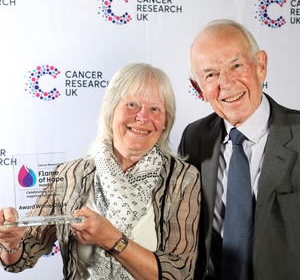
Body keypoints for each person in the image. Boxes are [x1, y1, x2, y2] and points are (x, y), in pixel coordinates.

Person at [0, 63, 201, 280]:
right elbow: (25, 254)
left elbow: (180, 273)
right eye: (132, 104)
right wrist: (11, 243)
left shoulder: (183, 178)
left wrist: (112, 239)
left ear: (165, 122)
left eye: (155, 109)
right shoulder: (69, 175)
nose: (142, 117)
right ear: (111, 111)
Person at [178, 19, 300, 280]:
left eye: (236, 65)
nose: (227, 83)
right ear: (198, 88)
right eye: (211, 74)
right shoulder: (194, 138)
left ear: (261, 66)